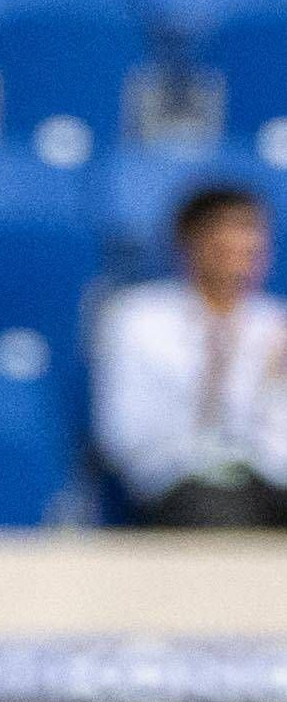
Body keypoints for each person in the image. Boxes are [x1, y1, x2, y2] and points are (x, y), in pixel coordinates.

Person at [90, 182, 287, 531]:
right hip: (178, 481)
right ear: (190, 242)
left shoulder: (274, 324)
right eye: (223, 245)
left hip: (268, 480)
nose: (239, 256)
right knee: (220, 514)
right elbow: (122, 432)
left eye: (251, 244)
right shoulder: (138, 317)